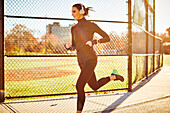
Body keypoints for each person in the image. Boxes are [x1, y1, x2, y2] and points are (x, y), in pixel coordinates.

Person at [65, 3, 124, 113]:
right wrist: (69, 47)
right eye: (72, 11)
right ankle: (113, 77)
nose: (72, 14)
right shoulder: (73, 28)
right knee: (94, 86)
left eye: (74, 11)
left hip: (90, 59)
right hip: (81, 61)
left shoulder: (91, 25)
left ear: (81, 11)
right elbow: (74, 45)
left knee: (79, 86)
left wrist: (95, 41)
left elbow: (107, 38)